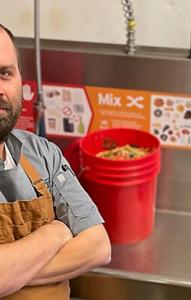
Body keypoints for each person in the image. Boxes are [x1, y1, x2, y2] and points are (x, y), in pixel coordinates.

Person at [0, 24, 111, 299]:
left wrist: (11, 274)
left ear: (20, 80)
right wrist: (57, 232)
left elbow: (98, 247)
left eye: (4, 73)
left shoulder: (42, 153)